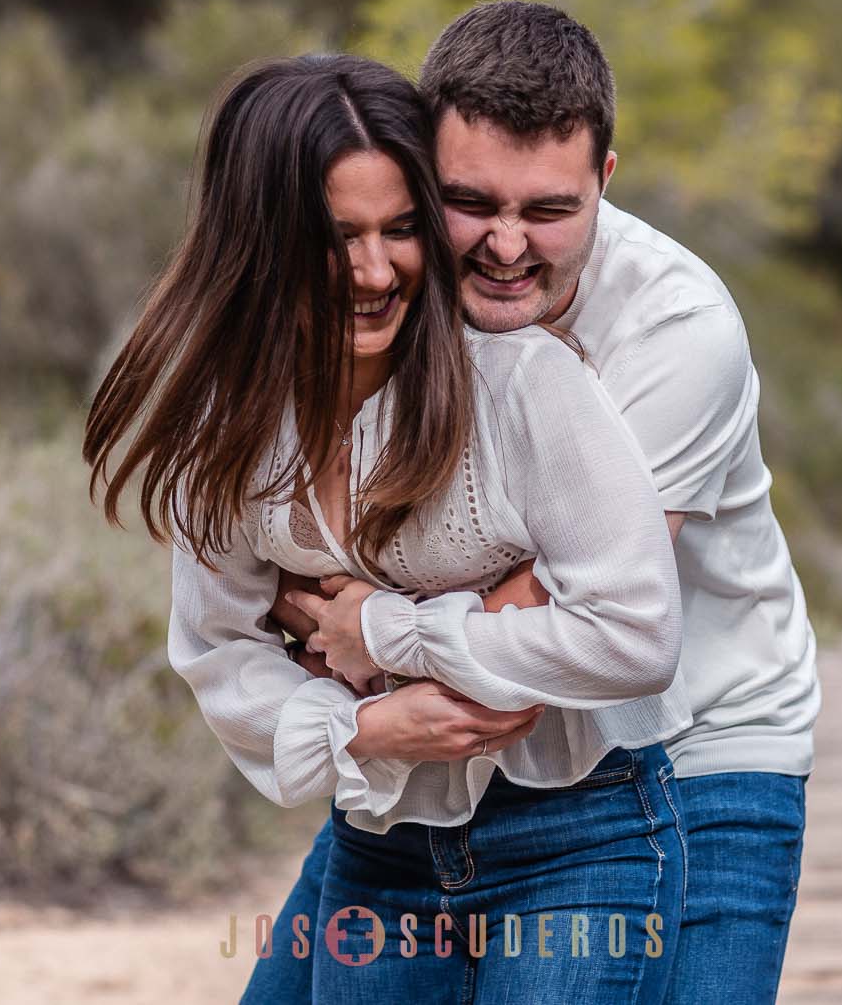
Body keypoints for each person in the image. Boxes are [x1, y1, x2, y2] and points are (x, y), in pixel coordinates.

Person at [83, 53, 695, 1002]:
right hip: (379, 853)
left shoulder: (526, 385)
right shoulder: (230, 423)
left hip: (576, 838)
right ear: (264, 243)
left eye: (403, 229)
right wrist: (365, 725)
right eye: (338, 237)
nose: (375, 271)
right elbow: (216, 649)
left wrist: (388, 630)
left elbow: (636, 631)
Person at [258, 2, 821, 1004]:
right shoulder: (398, 287)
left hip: (700, 742)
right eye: (470, 201)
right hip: (460, 754)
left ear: (603, 180)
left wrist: (363, 627)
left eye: (549, 210)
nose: (507, 245)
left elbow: (561, 603)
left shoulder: (676, 329)